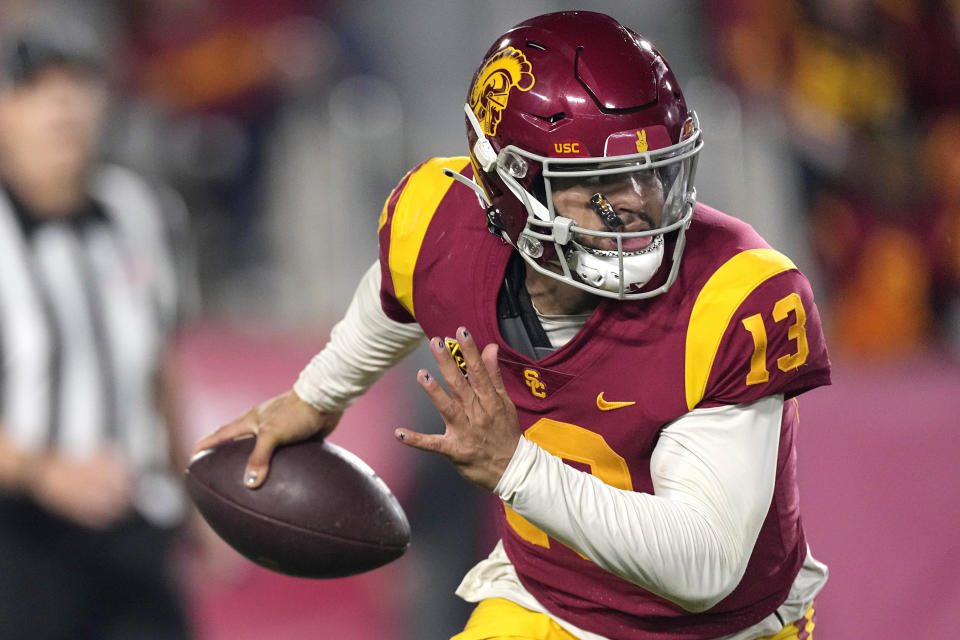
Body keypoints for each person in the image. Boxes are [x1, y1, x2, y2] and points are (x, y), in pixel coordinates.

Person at [194, 11, 830, 640]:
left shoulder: (734, 292)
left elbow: (706, 567)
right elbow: (398, 291)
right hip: (548, 604)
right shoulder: (443, 219)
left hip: (721, 630)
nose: (641, 205)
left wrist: (514, 468)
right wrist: (318, 396)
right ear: (509, 189)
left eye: (656, 170)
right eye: (602, 183)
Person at [0, 25, 193, 640]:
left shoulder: (137, 208)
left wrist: (193, 487)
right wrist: (42, 470)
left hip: (135, 523)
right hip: (18, 536)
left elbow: (159, 364)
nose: (62, 106)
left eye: (77, 85)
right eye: (35, 88)